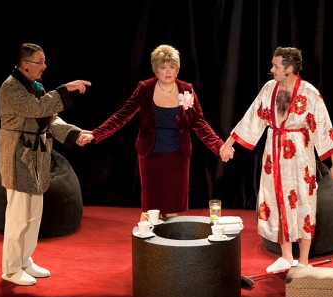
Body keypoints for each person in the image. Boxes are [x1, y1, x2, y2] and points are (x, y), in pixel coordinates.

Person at [220, 46, 333, 273]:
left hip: (299, 156)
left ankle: (303, 260)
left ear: (289, 68)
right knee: (276, 200)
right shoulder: (269, 88)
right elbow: (252, 117)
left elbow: (324, 128)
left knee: (303, 202)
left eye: (276, 66)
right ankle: (286, 256)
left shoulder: (309, 93)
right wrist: (229, 143)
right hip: (274, 153)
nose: (272, 69)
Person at [77, 44, 230, 221]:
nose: (168, 71)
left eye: (172, 66)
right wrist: (95, 134)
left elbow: (199, 123)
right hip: (150, 156)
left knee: (172, 208)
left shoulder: (186, 89)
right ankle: (148, 235)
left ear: (177, 69)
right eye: (163, 67)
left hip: (178, 157)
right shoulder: (145, 88)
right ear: (156, 70)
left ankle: (169, 236)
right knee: (151, 210)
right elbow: (122, 115)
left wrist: (220, 146)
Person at [0, 42, 92, 286]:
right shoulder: (11, 87)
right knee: (18, 215)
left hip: (36, 155)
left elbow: (49, 117)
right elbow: (36, 108)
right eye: (40, 62)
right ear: (25, 64)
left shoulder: (35, 86)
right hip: (18, 154)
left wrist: (74, 133)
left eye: (44, 61)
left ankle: (24, 260)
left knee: (33, 215)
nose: (44, 66)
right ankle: (11, 269)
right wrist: (65, 90)